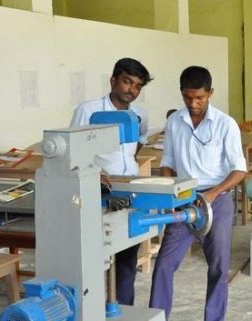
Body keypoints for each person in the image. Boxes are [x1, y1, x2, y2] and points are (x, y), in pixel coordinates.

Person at [149, 66, 247, 321]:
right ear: (181, 93)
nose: (193, 103)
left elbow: (239, 170)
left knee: (218, 267)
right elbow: (168, 162)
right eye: (188, 97)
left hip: (217, 201)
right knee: (163, 266)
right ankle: (157, 317)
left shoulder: (226, 125)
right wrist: (170, 194)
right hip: (183, 199)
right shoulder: (174, 122)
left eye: (199, 98)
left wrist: (213, 193)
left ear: (210, 93)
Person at [70, 58, 153, 305]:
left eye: (138, 86)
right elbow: (74, 151)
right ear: (113, 80)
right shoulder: (89, 111)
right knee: (98, 256)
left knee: (127, 257)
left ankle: (123, 310)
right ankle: (94, 310)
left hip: (130, 189)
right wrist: (98, 173)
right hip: (99, 191)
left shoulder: (139, 114)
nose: (132, 90)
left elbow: (142, 139)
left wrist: (126, 164)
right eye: (127, 82)